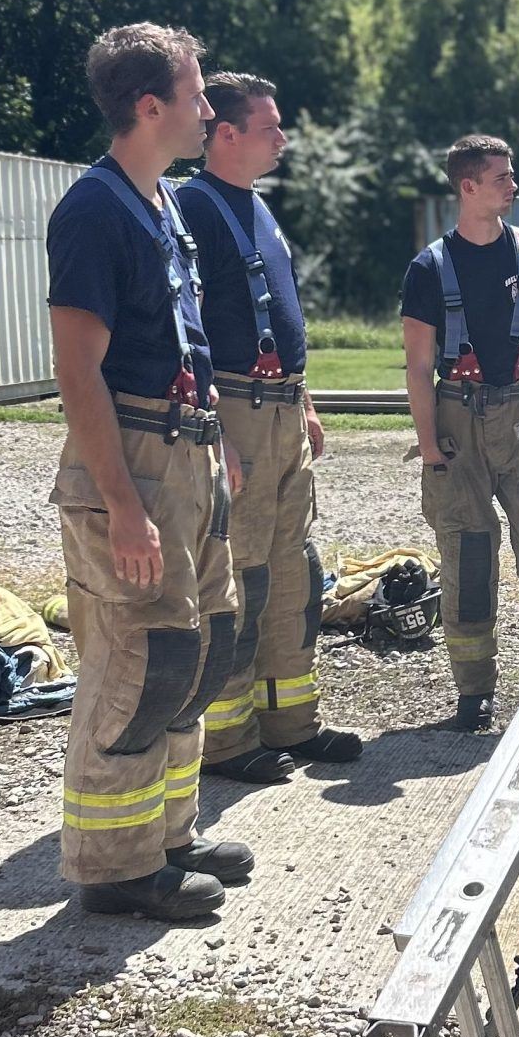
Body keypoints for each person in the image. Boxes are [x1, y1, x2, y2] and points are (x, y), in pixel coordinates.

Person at [45, 25, 252, 923]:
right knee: (139, 655)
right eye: (198, 94)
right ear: (149, 105)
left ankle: (167, 836)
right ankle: (113, 865)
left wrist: (215, 445)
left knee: (199, 645)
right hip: (132, 457)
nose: (210, 110)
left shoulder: (161, 203)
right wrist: (124, 507)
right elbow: (77, 370)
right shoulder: (93, 210)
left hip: (188, 451)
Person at [177, 71, 362, 783]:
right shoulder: (195, 207)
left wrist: (305, 400)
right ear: (226, 134)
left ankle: (292, 721)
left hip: (281, 407)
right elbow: (187, 332)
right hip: (237, 411)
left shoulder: (256, 208)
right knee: (240, 576)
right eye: (270, 126)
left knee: (293, 575)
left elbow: (277, 318)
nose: (283, 138)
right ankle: (227, 739)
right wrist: (218, 428)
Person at [400, 135, 519, 730]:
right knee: (469, 556)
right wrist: (429, 446)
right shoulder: (429, 267)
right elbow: (419, 366)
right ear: (468, 186)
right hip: (458, 420)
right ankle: (473, 695)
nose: (513, 185)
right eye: (501, 177)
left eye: (512, 174)